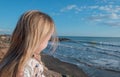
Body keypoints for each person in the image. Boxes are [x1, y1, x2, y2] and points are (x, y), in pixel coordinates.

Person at [0, 10, 58, 77]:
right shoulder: (27, 68)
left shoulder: (10, 57)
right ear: (37, 40)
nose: (48, 42)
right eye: (48, 39)